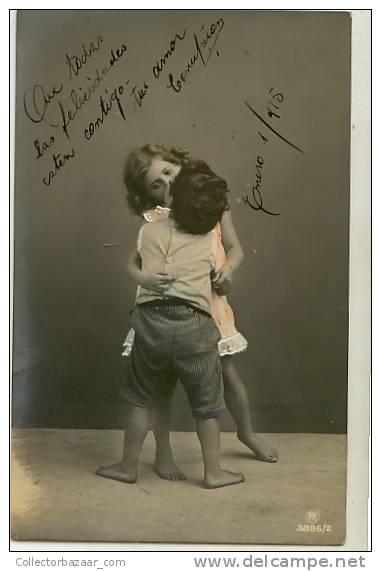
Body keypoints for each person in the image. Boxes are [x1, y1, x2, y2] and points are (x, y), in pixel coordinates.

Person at [124, 145, 278, 480]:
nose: (166, 185)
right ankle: (163, 454)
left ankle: (246, 432)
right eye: (155, 184)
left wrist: (229, 270)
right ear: (145, 195)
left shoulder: (211, 202)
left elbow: (234, 249)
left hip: (210, 304)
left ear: (179, 164)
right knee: (161, 387)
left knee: (228, 377)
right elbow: (135, 265)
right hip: (165, 309)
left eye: (168, 172)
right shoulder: (155, 220)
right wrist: (146, 277)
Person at [97, 167, 245, 489]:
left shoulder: (149, 232)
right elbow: (218, 281)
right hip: (194, 326)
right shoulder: (209, 239)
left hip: (150, 324)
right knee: (207, 407)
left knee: (141, 399)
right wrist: (221, 278)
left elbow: (135, 266)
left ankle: (127, 466)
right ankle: (213, 472)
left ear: (172, 199)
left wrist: (149, 278)